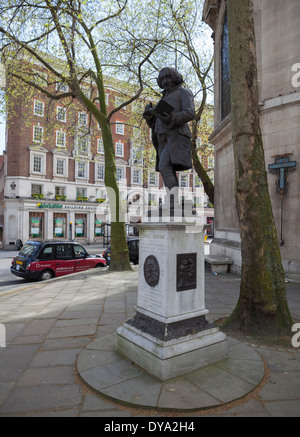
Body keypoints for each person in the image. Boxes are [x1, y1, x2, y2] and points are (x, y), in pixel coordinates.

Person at [143, 67, 196, 191]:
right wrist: (150, 115)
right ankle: (172, 202)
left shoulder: (184, 92)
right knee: (167, 169)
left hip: (176, 135)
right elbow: (157, 121)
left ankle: (173, 204)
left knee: (164, 167)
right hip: (161, 137)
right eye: (162, 78)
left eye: (168, 77)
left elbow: (190, 113)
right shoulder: (163, 98)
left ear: (175, 77)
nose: (165, 81)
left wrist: (173, 117)